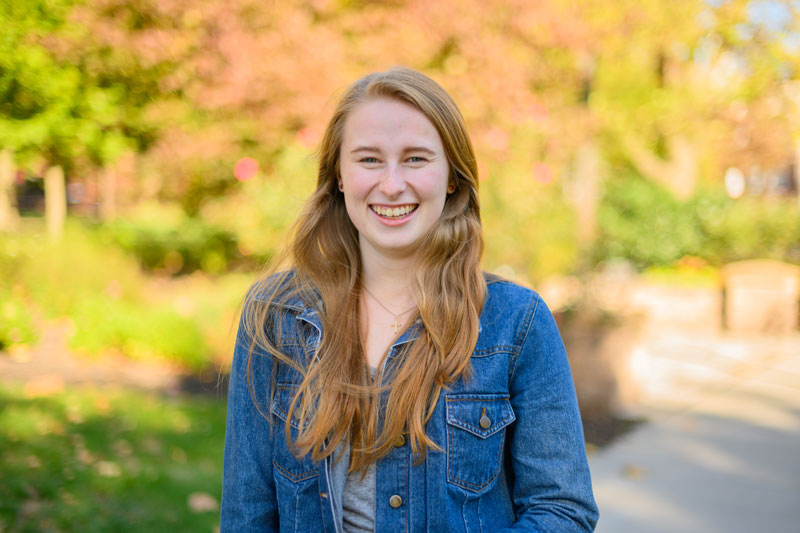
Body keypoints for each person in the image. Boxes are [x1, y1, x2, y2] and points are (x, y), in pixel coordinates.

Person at [220, 66, 598, 532]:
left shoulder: (515, 323)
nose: (393, 184)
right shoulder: (274, 316)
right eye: (369, 160)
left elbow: (562, 511)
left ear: (452, 178)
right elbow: (247, 515)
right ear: (339, 176)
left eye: (416, 159)